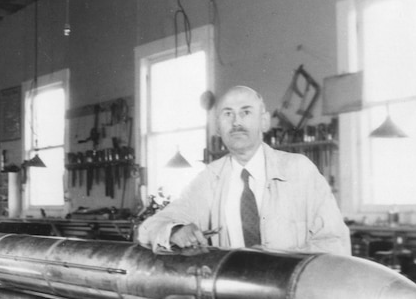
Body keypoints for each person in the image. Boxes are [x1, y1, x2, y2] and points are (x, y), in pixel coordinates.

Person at [138, 85, 350, 256]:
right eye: (227, 114)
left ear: (264, 121)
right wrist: (175, 231)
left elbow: (335, 243)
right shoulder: (209, 179)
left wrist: (278, 266)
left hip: (293, 297)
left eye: (246, 112)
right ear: (218, 127)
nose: (236, 122)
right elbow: (150, 228)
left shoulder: (300, 171)